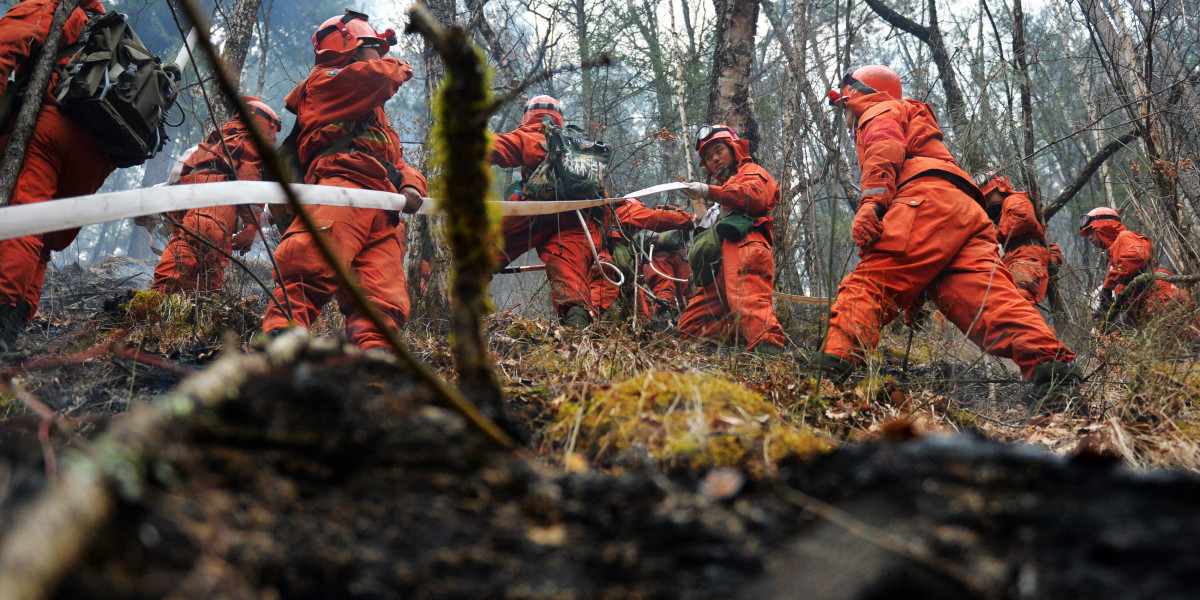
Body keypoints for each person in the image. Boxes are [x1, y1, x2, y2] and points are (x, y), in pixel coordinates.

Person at [819, 65, 1080, 405]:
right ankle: (1055, 376)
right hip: (967, 212)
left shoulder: (879, 109)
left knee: (870, 284)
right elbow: (922, 255)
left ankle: (825, 377)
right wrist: (913, 297)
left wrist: (871, 203)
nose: (848, 119)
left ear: (856, 93)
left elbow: (884, 149)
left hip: (922, 200)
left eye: (846, 106)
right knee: (990, 303)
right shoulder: (917, 123)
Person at [260, 10, 426, 350]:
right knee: (308, 271)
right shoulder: (325, 83)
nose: (379, 55)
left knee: (381, 298)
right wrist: (396, 64)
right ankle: (280, 351)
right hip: (342, 189)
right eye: (373, 47)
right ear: (350, 44)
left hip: (383, 207)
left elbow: (395, 159)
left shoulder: (371, 112)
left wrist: (411, 184)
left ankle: (374, 365)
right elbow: (377, 77)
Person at [0, 0, 115, 352]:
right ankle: (15, 318)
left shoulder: (49, 6)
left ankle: (2, 311)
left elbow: (6, 47)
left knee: (24, 218)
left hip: (52, 126)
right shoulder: (106, 26)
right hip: (99, 151)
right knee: (44, 237)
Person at [150, 98, 280, 296]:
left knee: (201, 263)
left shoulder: (213, 145)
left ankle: (177, 313)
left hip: (192, 210)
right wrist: (252, 225)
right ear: (266, 124)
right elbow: (249, 177)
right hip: (214, 210)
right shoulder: (246, 141)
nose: (274, 138)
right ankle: (154, 302)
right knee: (202, 264)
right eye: (274, 131)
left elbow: (182, 177)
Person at [490, 95, 599, 328]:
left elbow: (493, 148)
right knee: (572, 281)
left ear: (528, 115)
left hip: (535, 211)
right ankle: (577, 339)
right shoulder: (578, 147)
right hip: (577, 218)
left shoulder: (528, 136)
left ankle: (455, 312)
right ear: (559, 116)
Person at [677, 124, 786, 355]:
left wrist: (708, 191)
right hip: (721, 264)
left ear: (733, 148)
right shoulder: (722, 194)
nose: (715, 159)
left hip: (746, 246)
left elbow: (753, 196)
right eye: (708, 156)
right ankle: (731, 355)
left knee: (749, 305)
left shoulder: (751, 171)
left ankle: (773, 365)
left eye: (719, 151)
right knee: (691, 326)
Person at [1079, 207, 1191, 328]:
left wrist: (1107, 287)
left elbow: (1135, 257)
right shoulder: (1113, 253)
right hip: (1148, 308)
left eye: (1091, 231)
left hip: (1162, 299)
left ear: (1103, 226)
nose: (1089, 237)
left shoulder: (1125, 237)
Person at [587, 198, 692, 317]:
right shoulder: (629, 209)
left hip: (609, 254)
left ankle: (645, 325)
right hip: (610, 255)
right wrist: (691, 220)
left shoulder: (613, 215)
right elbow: (656, 218)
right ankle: (584, 317)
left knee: (636, 294)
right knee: (606, 290)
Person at [977, 173, 1061, 306]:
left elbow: (1024, 220)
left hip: (1026, 259)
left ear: (1001, 189)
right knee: (1007, 304)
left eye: (988, 197)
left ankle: (1034, 327)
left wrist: (993, 236)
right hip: (1016, 261)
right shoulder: (1002, 216)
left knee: (1016, 301)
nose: (987, 203)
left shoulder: (1013, 200)